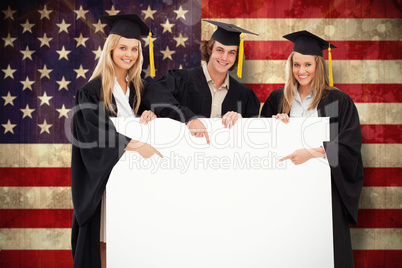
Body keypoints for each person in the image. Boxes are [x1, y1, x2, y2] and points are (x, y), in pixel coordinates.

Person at [260, 30, 364, 268]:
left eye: (308, 64)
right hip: (285, 192)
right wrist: (273, 126)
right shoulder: (278, 99)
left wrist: (312, 152)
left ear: (318, 65)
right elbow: (263, 144)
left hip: (326, 191)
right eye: (296, 64)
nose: (302, 70)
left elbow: (350, 146)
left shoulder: (338, 101)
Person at [70, 14, 162, 268]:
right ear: (111, 48)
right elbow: (93, 133)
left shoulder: (140, 88)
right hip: (104, 179)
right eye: (123, 48)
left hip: (136, 179)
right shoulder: (91, 91)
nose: (129, 54)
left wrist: (149, 113)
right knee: (104, 240)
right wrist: (137, 144)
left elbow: (155, 119)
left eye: (134, 49)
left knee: (132, 242)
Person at [143, 20, 261, 144]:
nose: (225, 57)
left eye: (231, 52)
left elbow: (251, 138)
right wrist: (188, 118)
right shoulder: (181, 79)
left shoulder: (245, 95)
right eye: (220, 50)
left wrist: (242, 122)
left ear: (236, 56)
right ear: (210, 49)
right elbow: (153, 95)